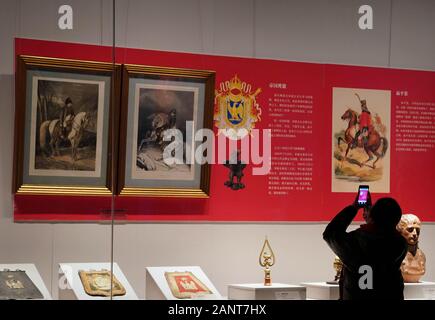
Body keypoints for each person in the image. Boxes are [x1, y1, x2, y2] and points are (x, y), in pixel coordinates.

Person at [323, 194, 408, 300]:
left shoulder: (355, 241)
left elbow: (330, 234)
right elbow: (382, 236)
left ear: (373, 216)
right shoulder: (400, 243)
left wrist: (354, 207)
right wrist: (373, 220)